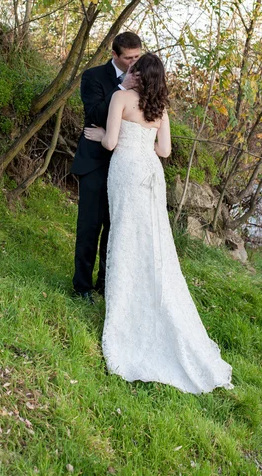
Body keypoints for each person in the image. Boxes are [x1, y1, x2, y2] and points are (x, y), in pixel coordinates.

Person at [84, 53, 233, 394]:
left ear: (139, 75)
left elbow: (109, 142)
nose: (129, 72)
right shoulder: (160, 107)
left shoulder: (120, 98)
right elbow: (164, 151)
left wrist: (102, 135)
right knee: (153, 240)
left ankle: (126, 307)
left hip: (126, 171)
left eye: (134, 69)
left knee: (124, 234)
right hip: (151, 172)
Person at [71, 32, 142, 303]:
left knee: (116, 228)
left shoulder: (144, 80)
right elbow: (96, 114)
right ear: (115, 55)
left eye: (138, 56)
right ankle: (82, 287)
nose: (134, 62)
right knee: (90, 226)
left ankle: (106, 283)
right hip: (95, 163)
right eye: (129, 58)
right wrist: (123, 88)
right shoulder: (93, 77)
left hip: (125, 164)